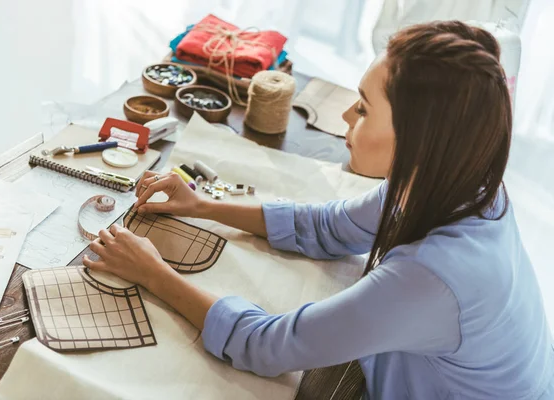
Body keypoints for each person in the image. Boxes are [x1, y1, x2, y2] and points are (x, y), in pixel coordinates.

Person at [83, 21, 554, 399]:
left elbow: (267, 347)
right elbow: (329, 227)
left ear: (418, 140)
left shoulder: (434, 277)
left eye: (365, 110)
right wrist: (204, 204)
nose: (347, 117)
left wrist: (154, 271)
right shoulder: (457, 183)